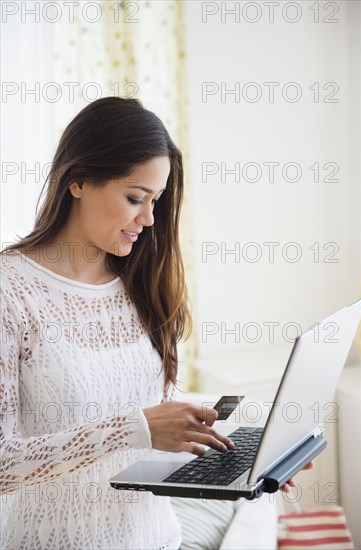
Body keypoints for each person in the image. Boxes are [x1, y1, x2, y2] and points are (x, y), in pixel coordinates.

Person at [0, 97, 311, 550]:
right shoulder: (12, 291)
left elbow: (153, 427)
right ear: (79, 180)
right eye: (134, 198)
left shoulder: (141, 283)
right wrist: (136, 427)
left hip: (157, 538)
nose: (148, 219)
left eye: (156, 201)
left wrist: (248, 462)